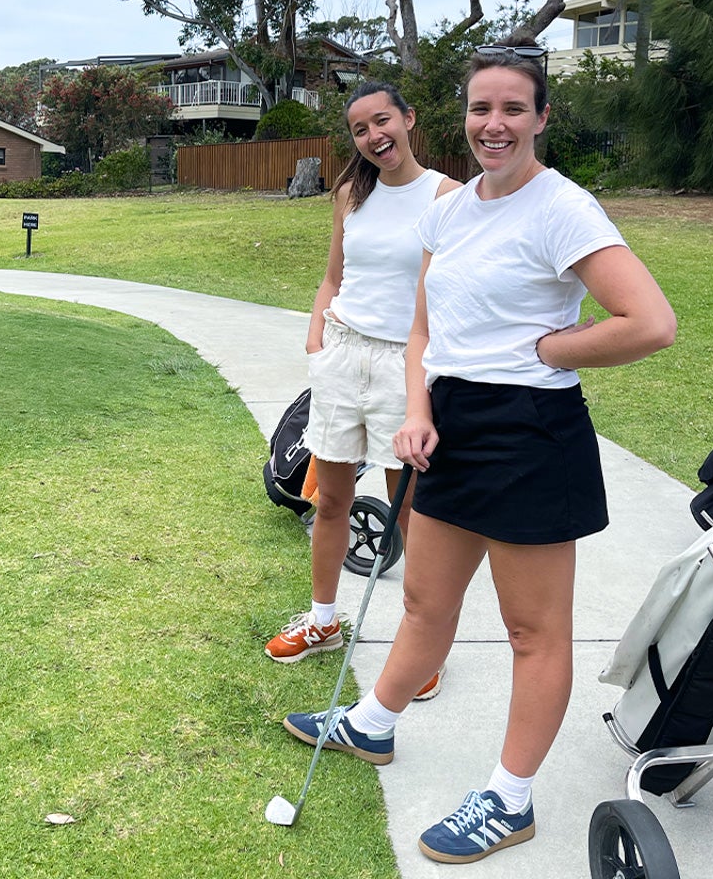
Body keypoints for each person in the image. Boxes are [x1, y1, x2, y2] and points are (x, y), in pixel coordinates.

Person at [283, 42, 677, 865]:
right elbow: (425, 327)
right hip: (450, 422)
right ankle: (374, 724)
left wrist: (551, 350)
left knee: (533, 632)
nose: (493, 125)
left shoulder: (561, 206)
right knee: (426, 601)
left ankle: (509, 798)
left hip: (531, 433)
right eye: (480, 108)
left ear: (540, 118)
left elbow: (649, 322)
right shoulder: (452, 209)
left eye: (511, 109)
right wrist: (419, 410)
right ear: (462, 116)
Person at [264, 82, 459, 711]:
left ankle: (418, 650)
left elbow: (445, 299)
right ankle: (323, 619)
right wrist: (317, 336)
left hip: (407, 364)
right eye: (359, 129)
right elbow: (333, 276)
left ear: (408, 118)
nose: (374, 137)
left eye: (384, 122)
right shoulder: (351, 192)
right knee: (331, 500)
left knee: (412, 512)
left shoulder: (448, 197)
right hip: (343, 357)